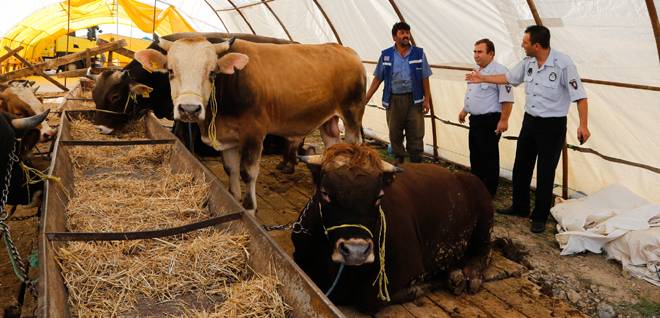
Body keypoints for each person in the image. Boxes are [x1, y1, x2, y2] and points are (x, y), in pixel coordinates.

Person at [465, 25, 590, 233]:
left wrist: (583, 125)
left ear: (537, 45)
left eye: (525, 42)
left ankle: (539, 216)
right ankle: (520, 206)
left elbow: (580, 96)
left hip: (552, 125)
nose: (522, 46)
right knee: (521, 166)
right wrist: (483, 78)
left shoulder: (563, 64)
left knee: (545, 171)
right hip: (530, 121)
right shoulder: (528, 62)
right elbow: (509, 79)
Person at [366, 22, 433, 164]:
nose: (406, 36)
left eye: (407, 33)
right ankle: (399, 161)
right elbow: (378, 78)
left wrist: (426, 100)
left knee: (416, 132)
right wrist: (366, 98)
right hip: (394, 100)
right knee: (395, 133)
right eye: (402, 33)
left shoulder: (419, 53)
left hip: (414, 100)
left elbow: (425, 77)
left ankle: (416, 163)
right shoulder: (386, 55)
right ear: (394, 37)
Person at [459, 38, 513, 197]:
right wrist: (465, 110)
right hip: (475, 120)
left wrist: (504, 120)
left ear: (491, 53)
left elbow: (507, 99)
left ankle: (489, 192)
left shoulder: (501, 72)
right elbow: (475, 94)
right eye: (475, 52)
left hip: (490, 120)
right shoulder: (477, 71)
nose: (476, 55)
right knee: (475, 155)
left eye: (480, 52)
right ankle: (477, 188)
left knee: (488, 157)